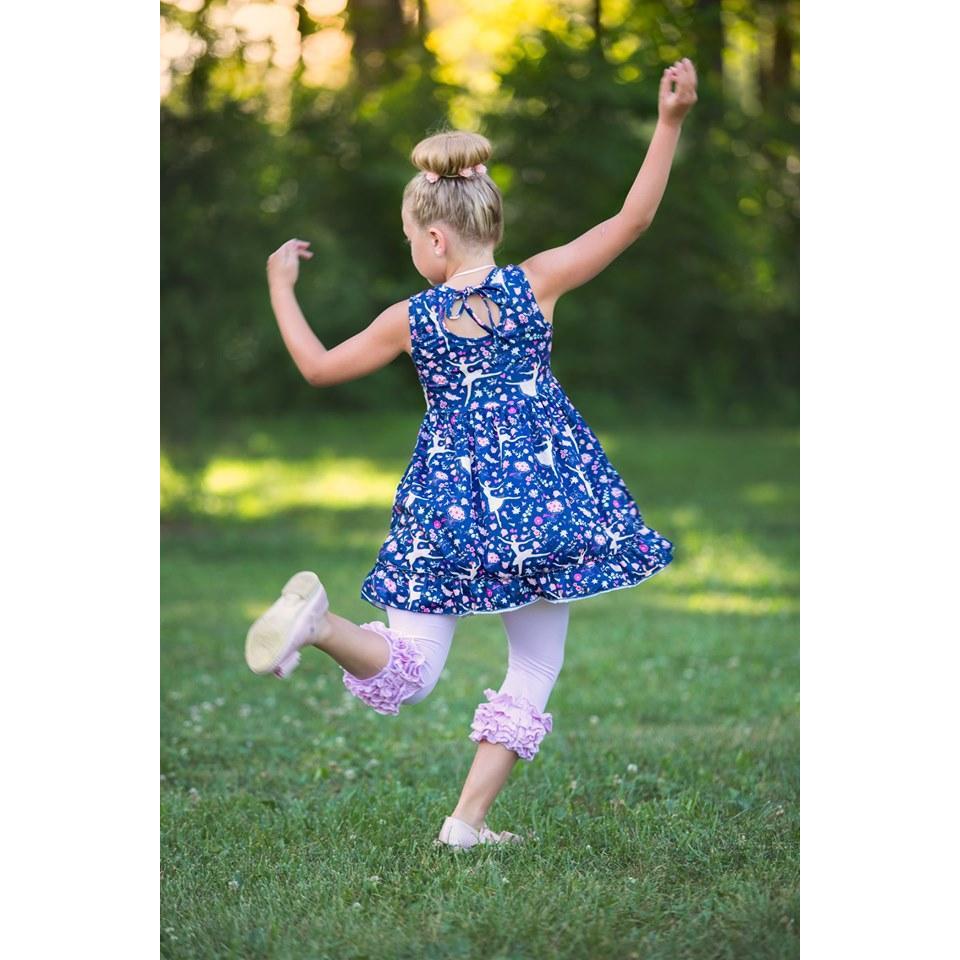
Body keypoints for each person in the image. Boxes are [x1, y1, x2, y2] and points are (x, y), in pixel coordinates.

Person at [245, 58, 698, 850]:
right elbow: (632, 220)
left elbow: (317, 368)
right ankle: (466, 822)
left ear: (434, 236)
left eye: (408, 240)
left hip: (446, 506)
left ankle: (319, 625)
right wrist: (668, 122)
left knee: (410, 669)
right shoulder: (538, 282)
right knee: (535, 666)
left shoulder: (409, 318)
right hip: (541, 504)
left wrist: (282, 287)